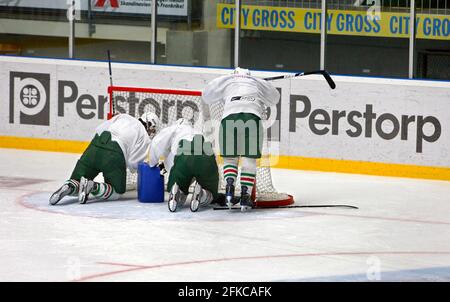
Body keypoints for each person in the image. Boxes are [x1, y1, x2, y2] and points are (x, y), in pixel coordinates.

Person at [202, 67, 280, 211]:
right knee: (249, 159)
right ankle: (245, 196)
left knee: (230, 159)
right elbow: (275, 98)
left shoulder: (226, 79)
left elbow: (206, 95)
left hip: (229, 117)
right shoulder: (257, 82)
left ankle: (230, 187)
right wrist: (261, 85)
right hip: (252, 117)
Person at [49, 112, 160, 205]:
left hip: (94, 146)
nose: (151, 133)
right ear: (150, 125)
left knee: (76, 180)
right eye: (152, 130)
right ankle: (92, 186)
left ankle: (68, 186)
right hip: (113, 155)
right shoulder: (144, 137)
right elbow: (132, 163)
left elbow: (99, 129)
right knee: (117, 192)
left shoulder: (123, 116)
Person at [148, 118, 219, 212]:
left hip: (183, 157)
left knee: (179, 193)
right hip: (206, 157)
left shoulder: (173, 129)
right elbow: (213, 159)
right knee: (211, 196)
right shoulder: (199, 132)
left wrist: (151, 162)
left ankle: (178, 191)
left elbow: (156, 144)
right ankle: (202, 194)